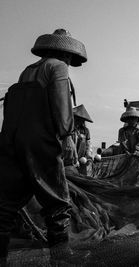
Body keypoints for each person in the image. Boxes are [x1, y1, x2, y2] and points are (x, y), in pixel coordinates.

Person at [0, 29, 87, 263]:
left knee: (5, 208)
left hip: (11, 142)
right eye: (69, 57)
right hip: (39, 143)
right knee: (57, 203)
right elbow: (62, 111)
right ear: (64, 53)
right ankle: (60, 259)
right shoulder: (58, 67)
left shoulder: (26, 70)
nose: (69, 62)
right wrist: (66, 135)